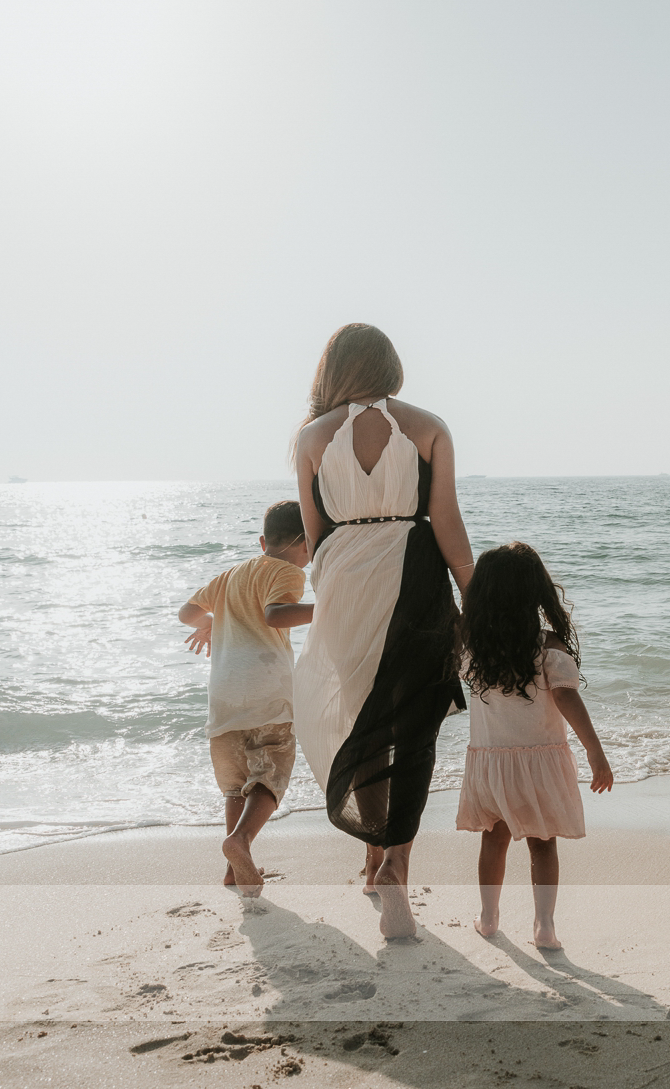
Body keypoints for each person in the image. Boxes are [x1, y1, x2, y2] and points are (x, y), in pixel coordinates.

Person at [292, 323, 473, 940]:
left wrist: (343, 579)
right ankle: (397, 864)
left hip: (344, 580)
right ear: (390, 363)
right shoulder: (427, 426)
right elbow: (444, 519)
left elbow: (313, 536)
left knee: (365, 725)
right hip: (417, 577)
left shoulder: (312, 438)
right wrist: (472, 596)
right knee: (414, 728)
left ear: (333, 369)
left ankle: (372, 859)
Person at [456, 542, 613, 950]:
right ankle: (544, 926)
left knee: (494, 839)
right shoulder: (548, 647)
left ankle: (489, 919)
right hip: (540, 764)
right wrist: (596, 753)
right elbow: (566, 698)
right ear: (536, 592)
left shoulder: (472, 648)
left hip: (491, 766)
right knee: (544, 845)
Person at [176, 500, 313, 898]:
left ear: (261, 540)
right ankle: (239, 842)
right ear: (306, 543)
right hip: (266, 694)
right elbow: (276, 614)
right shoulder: (288, 571)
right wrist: (327, 611)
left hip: (222, 698)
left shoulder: (231, 574)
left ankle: (234, 869)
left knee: (236, 786)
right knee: (270, 773)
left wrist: (213, 622)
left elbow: (187, 613)